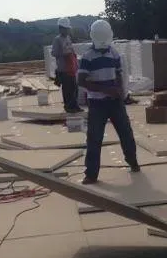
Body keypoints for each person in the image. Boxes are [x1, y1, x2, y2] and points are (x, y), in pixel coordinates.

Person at [77, 19, 140, 185]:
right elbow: (81, 80)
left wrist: (120, 89)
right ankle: (91, 174)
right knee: (94, 138)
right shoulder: (87, 57)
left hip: (115, 102)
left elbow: (119, 73)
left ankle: (133, 162)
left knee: (126, 133)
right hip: (97, 104)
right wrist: (104, 89)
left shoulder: (114, 53)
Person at [51, 17, 81, 113]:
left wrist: (74, 56)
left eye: (68, 29)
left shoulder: (68, 38)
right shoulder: (57, 40)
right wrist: (64, 54)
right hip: (63, 69)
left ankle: (75, 106)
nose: (68, 30)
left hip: (71, 68)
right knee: (67, 89)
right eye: (66, 28)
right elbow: (54, 53)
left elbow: (71, 49)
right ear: (61, 28)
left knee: (74, 88)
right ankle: (68, 107)